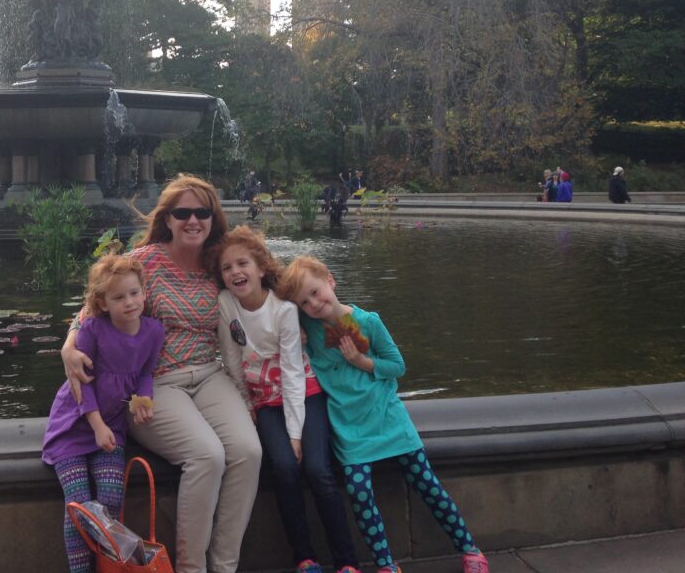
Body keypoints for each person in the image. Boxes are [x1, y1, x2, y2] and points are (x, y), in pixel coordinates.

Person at [61, 174, 262, 573]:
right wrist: (69, 344)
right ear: (167, 219)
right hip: (153, 383)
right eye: (182, 212)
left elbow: (266, 288)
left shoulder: (217, 262)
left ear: (212, 217)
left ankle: (224, 566)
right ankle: (191, 568)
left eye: (201, 212)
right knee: (206, 455)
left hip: (209, 374)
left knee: (248, 451)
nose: (193, 220)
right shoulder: (147, 260)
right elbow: (95, 307)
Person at [278, 256, 490, 573]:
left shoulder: (367, 322)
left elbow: (397, 366)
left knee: (427, 484)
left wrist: (362, 363)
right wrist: (294, 321)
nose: (314, 303)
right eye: (304, 302)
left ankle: (470, 549)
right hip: (350, 428)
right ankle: (386, 565)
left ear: (330, 280)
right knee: (359, 492)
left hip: (388, 418)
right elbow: (273, 303)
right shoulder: (308, 324)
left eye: (315, 291)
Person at [214, 227, 361, 573]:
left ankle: (347, 561)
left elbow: (294, 372)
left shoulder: (282, 310)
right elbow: (232, 359)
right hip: (264, 402)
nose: (236, 272)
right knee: (282, 466)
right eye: (227, 267)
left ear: (261, 267)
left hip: (304, 395)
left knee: (317, 469)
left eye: (243, 263)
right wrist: (246, 405)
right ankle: (304, 557)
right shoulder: (225, 302)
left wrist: (295, 433)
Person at [43, 255, 164, 573]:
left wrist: (143, 403)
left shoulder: (153, 332)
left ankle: (108, 566)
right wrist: (95, 425)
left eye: (134, 293)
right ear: (103, 302)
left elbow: (146, 374)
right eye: (119, 297)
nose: (130, 302)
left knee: (111, 496)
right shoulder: (94, 329)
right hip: (74, 424)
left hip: (111, 424)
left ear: (144, 292)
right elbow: (81, 385)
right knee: (79, 503)